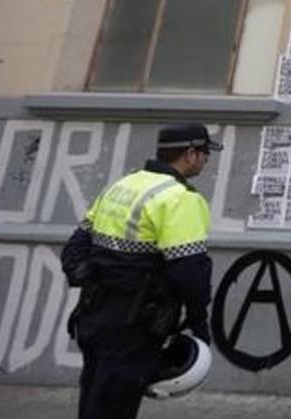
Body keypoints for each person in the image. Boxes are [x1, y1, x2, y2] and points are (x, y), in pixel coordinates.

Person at [61, 124, 220, 419]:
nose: (207, 159)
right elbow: (190, 272)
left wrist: (99, 276)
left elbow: (76, 246)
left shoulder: (123, 185)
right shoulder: (179, 198)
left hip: (93, 314)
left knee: (94, 400)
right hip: (134, 326)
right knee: (115, 407)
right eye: (205, 153)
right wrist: (200, 325)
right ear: (190, 153)